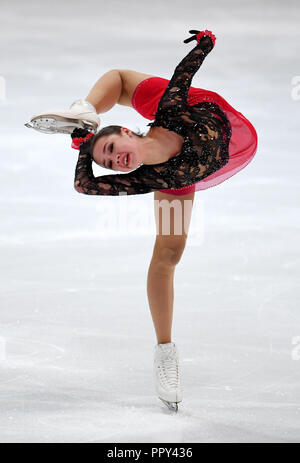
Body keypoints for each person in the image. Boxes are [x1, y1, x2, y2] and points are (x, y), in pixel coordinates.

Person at [25, 29, 258, 412]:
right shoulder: (146, 179)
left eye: (113, 147)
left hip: (206, 116)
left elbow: (187, 70)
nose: (115, 160)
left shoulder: (168, 108)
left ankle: (87, 111)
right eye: (108, 162)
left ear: (130, 130)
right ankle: (165, 352)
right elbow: (85, 185)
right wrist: (86, 149)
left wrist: (205, 42)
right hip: (179, 176)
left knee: (119, 78)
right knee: (167, 257)